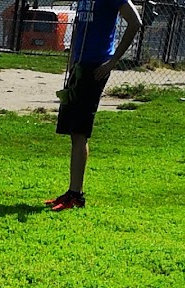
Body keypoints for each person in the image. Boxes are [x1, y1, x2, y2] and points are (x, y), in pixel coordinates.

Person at [50, 0, 142, 209]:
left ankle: (76, 195)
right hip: (79, 66)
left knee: (80, 130)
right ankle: (72, 191)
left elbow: (135, 23)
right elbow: (78, 28)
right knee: (73, 130)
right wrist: (73, 58)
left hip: (95, 67)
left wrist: (112, 62)